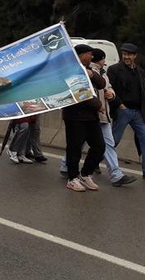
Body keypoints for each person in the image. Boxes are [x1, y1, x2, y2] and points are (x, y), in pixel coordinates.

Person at [108, 42, 145, 183]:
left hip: (138, 112)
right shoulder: (114, 70)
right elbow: (110, 89)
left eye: (129, 55)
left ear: (135, 56)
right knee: (113, 140)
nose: (126, 57)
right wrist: (119, 105)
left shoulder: (140, 71)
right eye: (124, 54)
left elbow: (142, 91)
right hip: (123, 111)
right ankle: (94, 162)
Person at [90, 48, 136, 187]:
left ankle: (116, 175)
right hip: (91, 115)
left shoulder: (103, 74)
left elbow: (109, 88)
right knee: (79, 143)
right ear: (98, 60)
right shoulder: (87, 72)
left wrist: (112, 95)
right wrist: (98, 105)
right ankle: (66, 166)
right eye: (103, 59)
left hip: (104, 116)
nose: (105, 62)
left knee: (109, 144)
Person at [63, 44, 107, 192]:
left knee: (99, 146)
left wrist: (92, 74)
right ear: (81, 55)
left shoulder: (89, 70)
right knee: (74, 148)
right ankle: (72, 178)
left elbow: (102, 84)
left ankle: (86, 173)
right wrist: (98, 105)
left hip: (91, 117)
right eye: (89, 54)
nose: (92, 57)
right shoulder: (70, 70)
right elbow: (80, 94)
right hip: (75, 116)